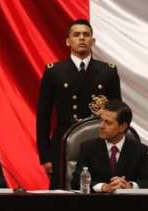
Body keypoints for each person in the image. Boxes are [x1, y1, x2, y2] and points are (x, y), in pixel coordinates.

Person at [36, 18, 122, 189]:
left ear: (93, 41)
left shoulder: (108, 71)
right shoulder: (54, 71)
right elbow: (43, 117)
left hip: (98, 140)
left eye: (86, 35)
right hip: (63, 142)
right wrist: (45, 156)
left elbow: (117, 114)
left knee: (100, 190)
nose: (81, 38)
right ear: (68, 41)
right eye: (76, 35)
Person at [71, 100, 148, 192]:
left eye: (108, 122)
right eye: (102, 120)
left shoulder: (138, 150)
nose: (101, 126)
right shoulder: (88, 147)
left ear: (123, 127)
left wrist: (129, 185)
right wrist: (103, 187)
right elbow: (76, 182)